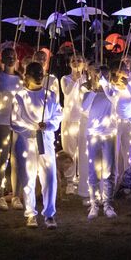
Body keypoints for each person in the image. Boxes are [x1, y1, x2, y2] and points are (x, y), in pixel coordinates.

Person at [12, 62, 62, 229]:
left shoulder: (51, 95)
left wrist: (47, 126)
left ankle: (49, 214)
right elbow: (15, 121)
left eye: (41, 72)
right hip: (27, 142)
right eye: (35, 72)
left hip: (45, 140)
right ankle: (31, 214)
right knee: (28, 177)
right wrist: (31, 131)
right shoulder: (20, 96)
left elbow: (57, 115)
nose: (39, 75)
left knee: (49, 177)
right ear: (27, 75)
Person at [81, 65, 119, 219]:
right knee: (93, 171)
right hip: (93, 135)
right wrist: (93, 91)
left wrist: (103, 82)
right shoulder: (87, 91)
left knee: (109, 171)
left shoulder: (112, 90)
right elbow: (83, 107)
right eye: (97, 75)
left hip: (109, 135)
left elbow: (111, 95)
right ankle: (94, 204)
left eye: (104, 75)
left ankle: (107, 204)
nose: (100, 77)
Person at [0, 47, 24, 211]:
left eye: (13, 56)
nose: (11, 59)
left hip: (18, 124)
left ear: (16, 59)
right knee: (2, 160)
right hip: (2, 121)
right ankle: (0, 195)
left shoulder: (21, 79)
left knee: (18, 160)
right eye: (7, 56)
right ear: (2, 59)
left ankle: (16, 196)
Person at [60, 53, 87, 196]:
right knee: (70, 152)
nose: (76, 62)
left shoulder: (86, 79)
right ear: (70, 64)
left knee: (83, 152)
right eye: (73, 61)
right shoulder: (65, 79)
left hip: (83, 120)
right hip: (69, 119)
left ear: (84, 64)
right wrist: (74, 80)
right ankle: (70, 181)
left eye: (79, 61)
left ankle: (82, 180)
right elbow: (67, 92)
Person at [111, 62, 131, 186]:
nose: (125, 73)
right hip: (115, 123)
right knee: (114, 153)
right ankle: (114, 180)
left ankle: (129, 180)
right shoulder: (112, 87)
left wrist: (128, 86)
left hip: (129, 122)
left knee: (129, 152)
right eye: (122, 71)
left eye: (126, 70)